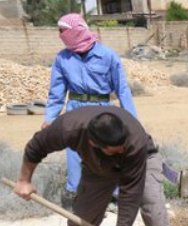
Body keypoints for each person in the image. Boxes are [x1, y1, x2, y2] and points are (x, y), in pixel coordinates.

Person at [14, 106, 180, 226]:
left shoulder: (133, 140)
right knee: (84, 210)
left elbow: (131, 187)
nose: (121, 150)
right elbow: (35, 147)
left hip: (142, 159)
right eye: (116, 150)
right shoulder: (69, 127)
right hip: (97, 166)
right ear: (94, 143)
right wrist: (24, 180)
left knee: (153, 203)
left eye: (122, 146)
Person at [43, 13, 137, 209]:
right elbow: (56, 92)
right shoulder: (63, 59)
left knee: (107, 152)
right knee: (75, 154)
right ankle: (78, 195)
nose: (60, 35)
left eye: (63, 31)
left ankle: (114, 195)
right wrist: (50, 117)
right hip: (75, 109)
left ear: (76, 30)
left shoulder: (107, 56)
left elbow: (122, 89)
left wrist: (131, 119)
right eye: (59, 32)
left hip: (101, 110)